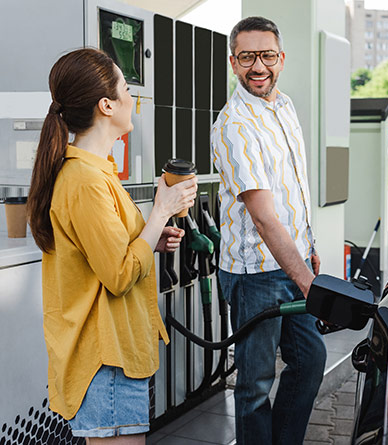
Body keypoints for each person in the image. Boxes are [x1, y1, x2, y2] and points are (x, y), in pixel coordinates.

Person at [27, 48, 197, 444]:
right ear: (106, 105)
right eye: (126, 89)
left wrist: (152, 241)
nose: (131, 98)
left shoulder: (95, 172)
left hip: (115, 355)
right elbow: (119, 276)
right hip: (107, 359)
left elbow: (108, 254)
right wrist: (160, 213)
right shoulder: (85, 180)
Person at [210, 16, 326, 445]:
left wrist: (309, 246)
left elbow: (295, 186)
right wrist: (309, 283)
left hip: (293, 263)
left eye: (267, 55)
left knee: (311, 361)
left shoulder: (284, 105)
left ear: (282, 58)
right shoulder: (234, 126)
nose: (258, 67)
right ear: (232, 63)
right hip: (255, 274)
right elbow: (262, 216)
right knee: (255, 384)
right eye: (247, 57)